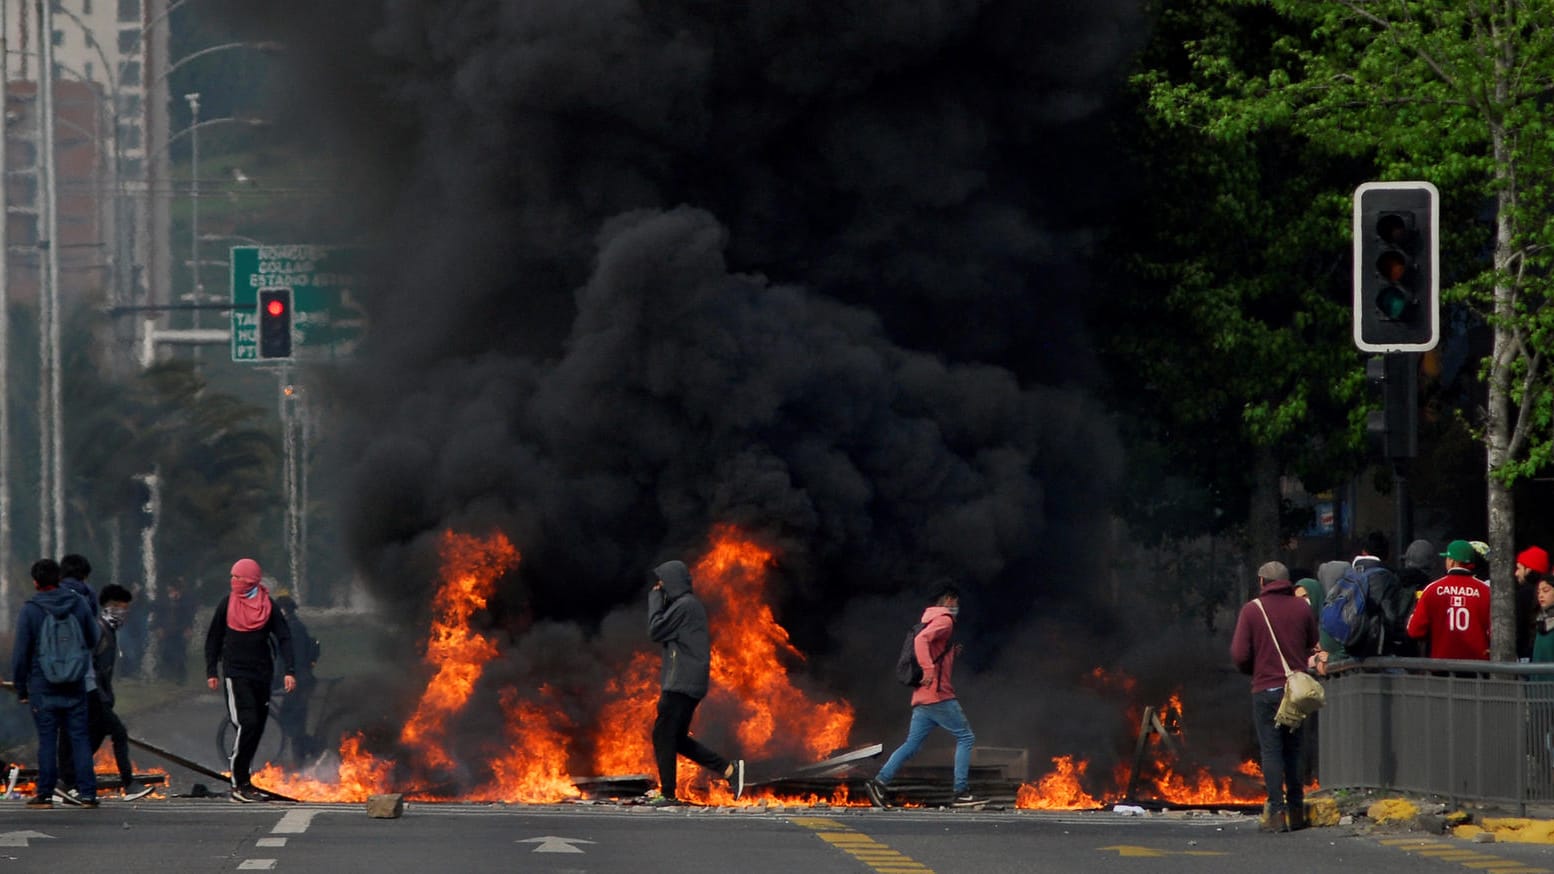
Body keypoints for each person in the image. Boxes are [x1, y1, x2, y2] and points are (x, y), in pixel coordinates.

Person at [865, 582, 980, 809]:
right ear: (948, 600)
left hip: (922, 698)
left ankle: (879, 782)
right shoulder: (945, 620)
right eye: (955, 600)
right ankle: (961, 792)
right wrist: (928, 669)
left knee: (912, 745)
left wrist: (950, 654)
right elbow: (922, 641)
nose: (957, 605)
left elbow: (931, 648)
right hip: (939, 696)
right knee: (966, 738)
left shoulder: (929, 618)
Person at [644, 559, 744, 806]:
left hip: (681, 683)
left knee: (663, 735)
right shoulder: (688, 606)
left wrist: (654, 600)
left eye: (662, 583)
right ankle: (729, 769)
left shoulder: (685, 606)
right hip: (688, 682)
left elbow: (655, 630)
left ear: (672, 583)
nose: (659, 587)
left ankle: (667, 793)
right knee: (675, 738)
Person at [1230, 561, 1319, 833]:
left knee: (1271, 750)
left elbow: (1239, 655)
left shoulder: (1252, 610)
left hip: (1266, 690)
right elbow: (1311, 642)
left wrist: (1255, 671)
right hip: (1296, 691)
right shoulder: (1302, 607)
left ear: (1261, 582)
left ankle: (1276, 814)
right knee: (1294, 750)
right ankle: (1296, 811)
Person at [9, 558, 100, 808]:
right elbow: (93, 637)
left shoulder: (31, 610)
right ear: (59, 578)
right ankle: (88, 794)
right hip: (75, 683)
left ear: (35, 582)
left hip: (42, 685)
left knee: (47, 740)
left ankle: (45, 794)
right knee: (79, 738)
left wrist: (21, 687)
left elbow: (21, 653)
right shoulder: (78, 603)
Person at [205, 558, 296, 803]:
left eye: (237, 577)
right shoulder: (227, 605)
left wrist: (290, 670)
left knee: (256, 728)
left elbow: (284, 637)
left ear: (250, 580)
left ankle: (246, 782)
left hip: (262, 675)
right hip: (236, 674)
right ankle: (238, 784)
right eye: (231, 577)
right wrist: (211, 670)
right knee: (247, 723)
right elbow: (213, 637)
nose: (232, 581)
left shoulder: (268, 606)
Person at [59, 584, 154, 801]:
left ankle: (67, 779)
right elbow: (89, 666)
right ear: (110, 607)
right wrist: (99, 695)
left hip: (100, 696)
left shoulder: (108, 631)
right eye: (121, 608)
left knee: (95, 737)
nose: (124, 614)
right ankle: (128, 784)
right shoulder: (99, 630)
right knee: (118, 732)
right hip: (93, 695)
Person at [1407, 540, 1491, 660]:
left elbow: (1414, 631)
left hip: (1442, 666)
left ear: (1451, 562)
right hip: (1477, 668)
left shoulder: (1432, 589)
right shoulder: (1486, 591)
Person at [272, 593, 320, 766]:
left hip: (298, 682)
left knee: (291, 718)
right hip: (298, 680)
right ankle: (302, 756)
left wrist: (278, 680)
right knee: (293, 718)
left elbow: (290, 659)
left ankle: (312, 751)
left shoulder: (292, 629)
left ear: (283, 610)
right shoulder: (293, 626)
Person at [1516, 546, 1550, 661]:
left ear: (1529, 570)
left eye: (1519, 568)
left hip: (1527, 658)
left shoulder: (1524, 594)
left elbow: (1519, 628)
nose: (1516, 573)